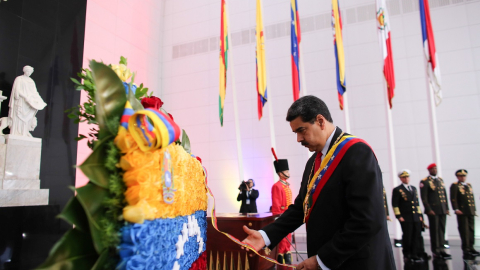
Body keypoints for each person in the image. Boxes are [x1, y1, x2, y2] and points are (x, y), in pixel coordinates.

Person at [241, 96, 395, 270]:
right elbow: (301, 207)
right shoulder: (314, 161)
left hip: (357, 262)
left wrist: (322, 260)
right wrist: (265, 235)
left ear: (320, 121)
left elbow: (367, 220)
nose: (299, 139)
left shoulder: (356, 152)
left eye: (302, 130)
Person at [419, 163, 451, 259]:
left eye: (435, 168)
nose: (435, 170)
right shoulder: (425, 181)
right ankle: (436, 250)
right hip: (433, 210)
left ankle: (442, 249)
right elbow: (424, 197)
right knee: (435, 230)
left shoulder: (440, 180)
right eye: (433, 169)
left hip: (442, 209)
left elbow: (444, 195)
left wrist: (447, 208)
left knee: (442, 229)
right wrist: (428, 209)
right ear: (429, 170)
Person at [392, 169, 424, 262]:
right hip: (406, 217)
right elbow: (395, 204)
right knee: (407, 236)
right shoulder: (398, 190)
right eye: (404, 177)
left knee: (416, 235)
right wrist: (399, 216)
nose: (406, 179)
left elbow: (416, 203)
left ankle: (415, 253)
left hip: (415, 217)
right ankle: (407, 254)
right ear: (401, 178)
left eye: (407, 177)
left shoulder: (413, 188)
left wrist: (420, 215)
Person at [8, 65, 46, 137]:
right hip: (21, 100)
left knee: (28, 117)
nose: (29, 73)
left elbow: (35, 92)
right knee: (18, 115)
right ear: (24, 71)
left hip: (28, 102)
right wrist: (25, 97)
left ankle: (24, 132)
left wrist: (40, 101)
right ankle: (16, 131)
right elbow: (17, 90)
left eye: (30, 72)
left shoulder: (31, 81)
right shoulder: (19, 79)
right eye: (28, 71)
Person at [450, 169, 479, 259]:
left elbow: (471, 198)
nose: (463, 177)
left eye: (464, 176)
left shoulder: (468, 185)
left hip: (470, 211)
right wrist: (456, 209)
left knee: (471, 230)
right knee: (464, 230)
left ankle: (471, 247)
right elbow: (453, 198)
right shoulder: (455, 186)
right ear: (458, 177)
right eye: (461, 176)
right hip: (462, 211)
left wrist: (474, 210)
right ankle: (466, 249)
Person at [271, 153, 293, 265]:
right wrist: (277, 215)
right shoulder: (277, 186)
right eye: (286, 171)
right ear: (280, 173)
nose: (288, 173)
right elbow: (276, 203)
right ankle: (281, 255)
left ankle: (287, 252)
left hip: (288, 213)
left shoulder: (286, 185)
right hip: (282, 214)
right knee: (283, 237)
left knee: (288, 235)